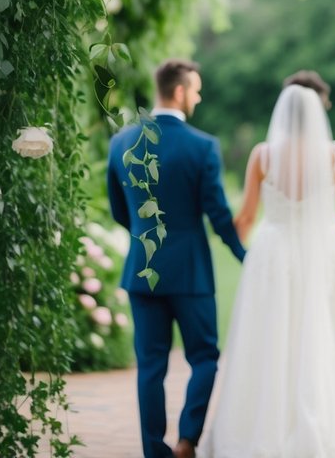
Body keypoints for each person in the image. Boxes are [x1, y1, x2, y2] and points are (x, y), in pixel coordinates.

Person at [200, 80, 335, 458]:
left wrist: (229, 242)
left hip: (273, 253)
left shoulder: (263, 155)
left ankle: (264, 429)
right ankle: (327, 425)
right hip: (326, 251)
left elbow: (245, 215)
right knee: (327, 333)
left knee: (271, 336)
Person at [107, 59, 246, 458]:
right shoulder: (202, 146)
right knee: (204, 357)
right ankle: (187, 440)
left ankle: (155, 450)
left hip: (142, 272)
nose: (199, 98)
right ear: (181, 91)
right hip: (190, 274)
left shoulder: (122, 143)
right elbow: (218, 214)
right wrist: (245, 257)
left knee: (150, 365)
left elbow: (121, 211)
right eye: (197, 90)